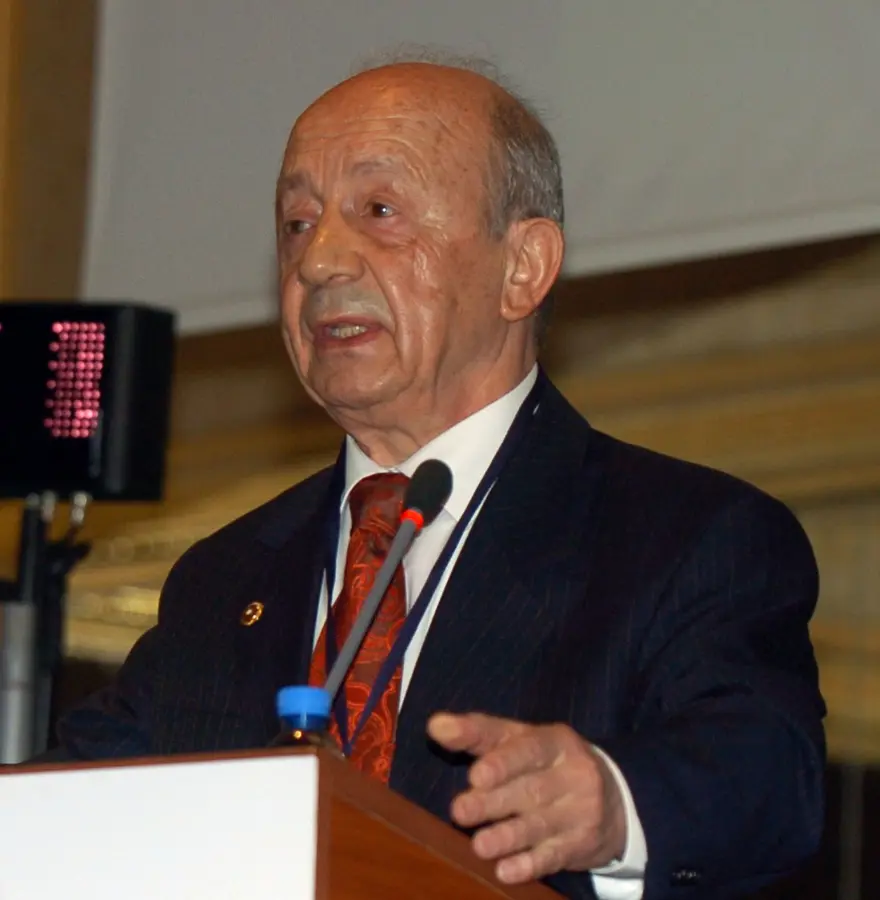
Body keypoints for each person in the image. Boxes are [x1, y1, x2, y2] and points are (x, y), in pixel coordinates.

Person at [47, 54, 825, 900]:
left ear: (523, 267)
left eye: (379, 212)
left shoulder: (687, 537)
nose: (318, 262)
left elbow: (767, 775)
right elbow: (65, 811)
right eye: (297, 223)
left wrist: (613, 802)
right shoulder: (225, 577)